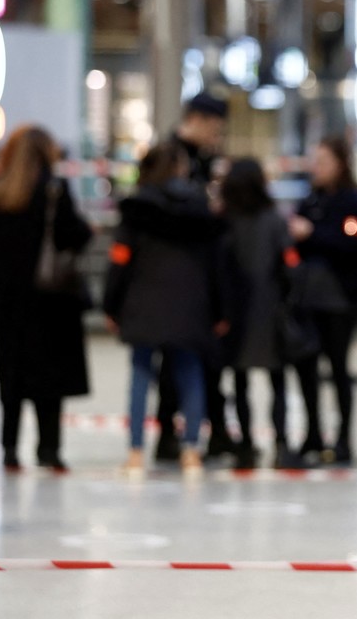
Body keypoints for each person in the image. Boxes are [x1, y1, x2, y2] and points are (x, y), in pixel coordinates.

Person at [104, 142, 226, 476]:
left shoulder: (137, 209)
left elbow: (120, 260)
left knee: (141, 374)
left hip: (143, 299)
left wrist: (111, 304)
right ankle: (191, 450)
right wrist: (220, 309)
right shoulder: (200, 208)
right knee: (190, 373)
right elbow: (216, 264)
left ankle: (134, 452)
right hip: (190, 303)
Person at [0, 125, 92, 473]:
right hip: (50, 299)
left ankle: (9, 449)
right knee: (49, 379)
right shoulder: (54, 191)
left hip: (8, 299)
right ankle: (49, 450)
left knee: (11, 375)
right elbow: (75, 234)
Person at [288, 136, 357, 465]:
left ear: (340, 164)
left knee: (339, 368)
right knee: (306, 368)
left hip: (339, 301)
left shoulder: (355, 203)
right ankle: (313, 434)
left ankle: (343, 439)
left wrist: (312, 234)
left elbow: (354, 246)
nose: (316, 168)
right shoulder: (310, 200)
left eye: (323, 161)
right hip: (307, 300)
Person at [155, 92, 231, 461]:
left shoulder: (207, 160)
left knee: (210, 359)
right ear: (198, 120)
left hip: (205, 274)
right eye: (214, 129)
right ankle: (168, 431)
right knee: (174, 360)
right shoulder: (171, 156)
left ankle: (215, 431)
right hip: (176, 274)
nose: (217, 138)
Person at [218, 158, 294, 469]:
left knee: (240, 381)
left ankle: (246, 445)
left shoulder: (225, 221)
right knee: (277, 381)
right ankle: (281, 443)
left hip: (236, 312)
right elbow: (288, 264)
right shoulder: (273, 220)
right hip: (270, 309)